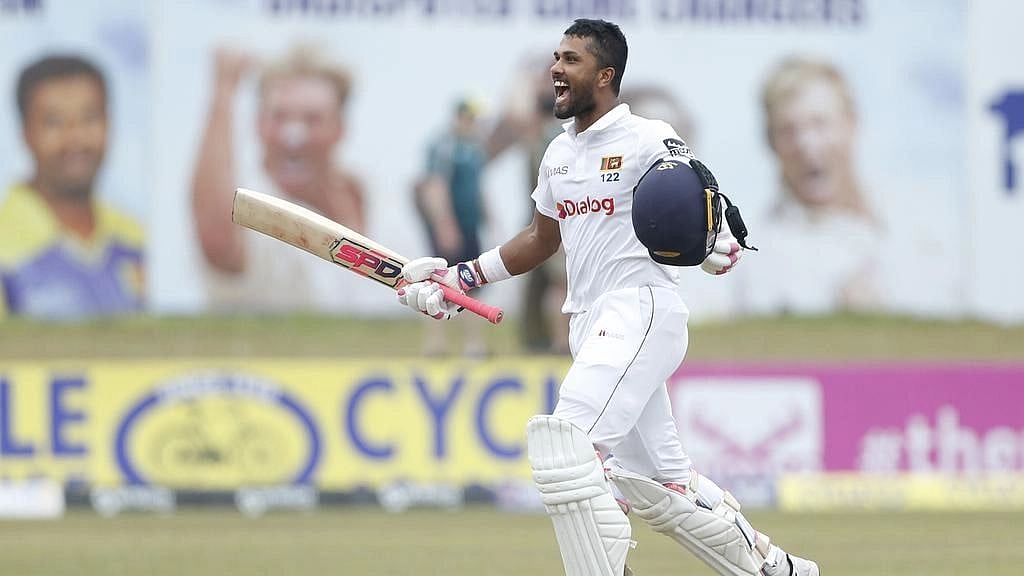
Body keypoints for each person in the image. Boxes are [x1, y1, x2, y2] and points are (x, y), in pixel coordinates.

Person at [397, 19, 819, 576]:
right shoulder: (557, 156)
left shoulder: (647, 137)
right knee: (662, 484)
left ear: (605, 75)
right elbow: (540, 239)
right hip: (592, 323)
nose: (555, 69)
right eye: (555, 58)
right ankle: (777, 569)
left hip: (640, 309)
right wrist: (464, 278)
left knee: (567, 448)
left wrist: (717, 241)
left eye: (570, 60)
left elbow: (703, 195)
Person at [191, 44, 365, 312]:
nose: (293, 135)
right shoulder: (251, 211)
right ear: (259, 124)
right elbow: (216, 237)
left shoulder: (376, 202)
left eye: (313, 119)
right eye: (279, 117)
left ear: (340, 128)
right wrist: (224, 91)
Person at [0, 55, 144, 320]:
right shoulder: (6, 247)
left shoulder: (135, 238)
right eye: (54, 122)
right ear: (25, 133)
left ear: (109, 123)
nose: (75, 137)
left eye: (89, 118)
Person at [739, 56, 882, 315]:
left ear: (851, 124)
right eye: (789, 130)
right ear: (771, 142)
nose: (806, 145)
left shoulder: (910, 232)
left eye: (820, 124)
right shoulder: (752, 250)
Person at [486, 55, 569, 354]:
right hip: (550, 220)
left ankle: (543, 340)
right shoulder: (555, 141)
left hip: (541, 219)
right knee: (556, 285)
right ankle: (556, 341)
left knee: (546, 286)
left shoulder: (541, 141)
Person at [413, 98, 489, 356]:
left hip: (469, 226)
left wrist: (487, 216)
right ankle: (436, 344)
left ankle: (473, 345)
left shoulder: (474, 147)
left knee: (472, 284)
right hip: (451, 226)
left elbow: (476, 188)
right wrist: (444, 224)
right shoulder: (444, 146)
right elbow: (435, 186)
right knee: (437, 285)